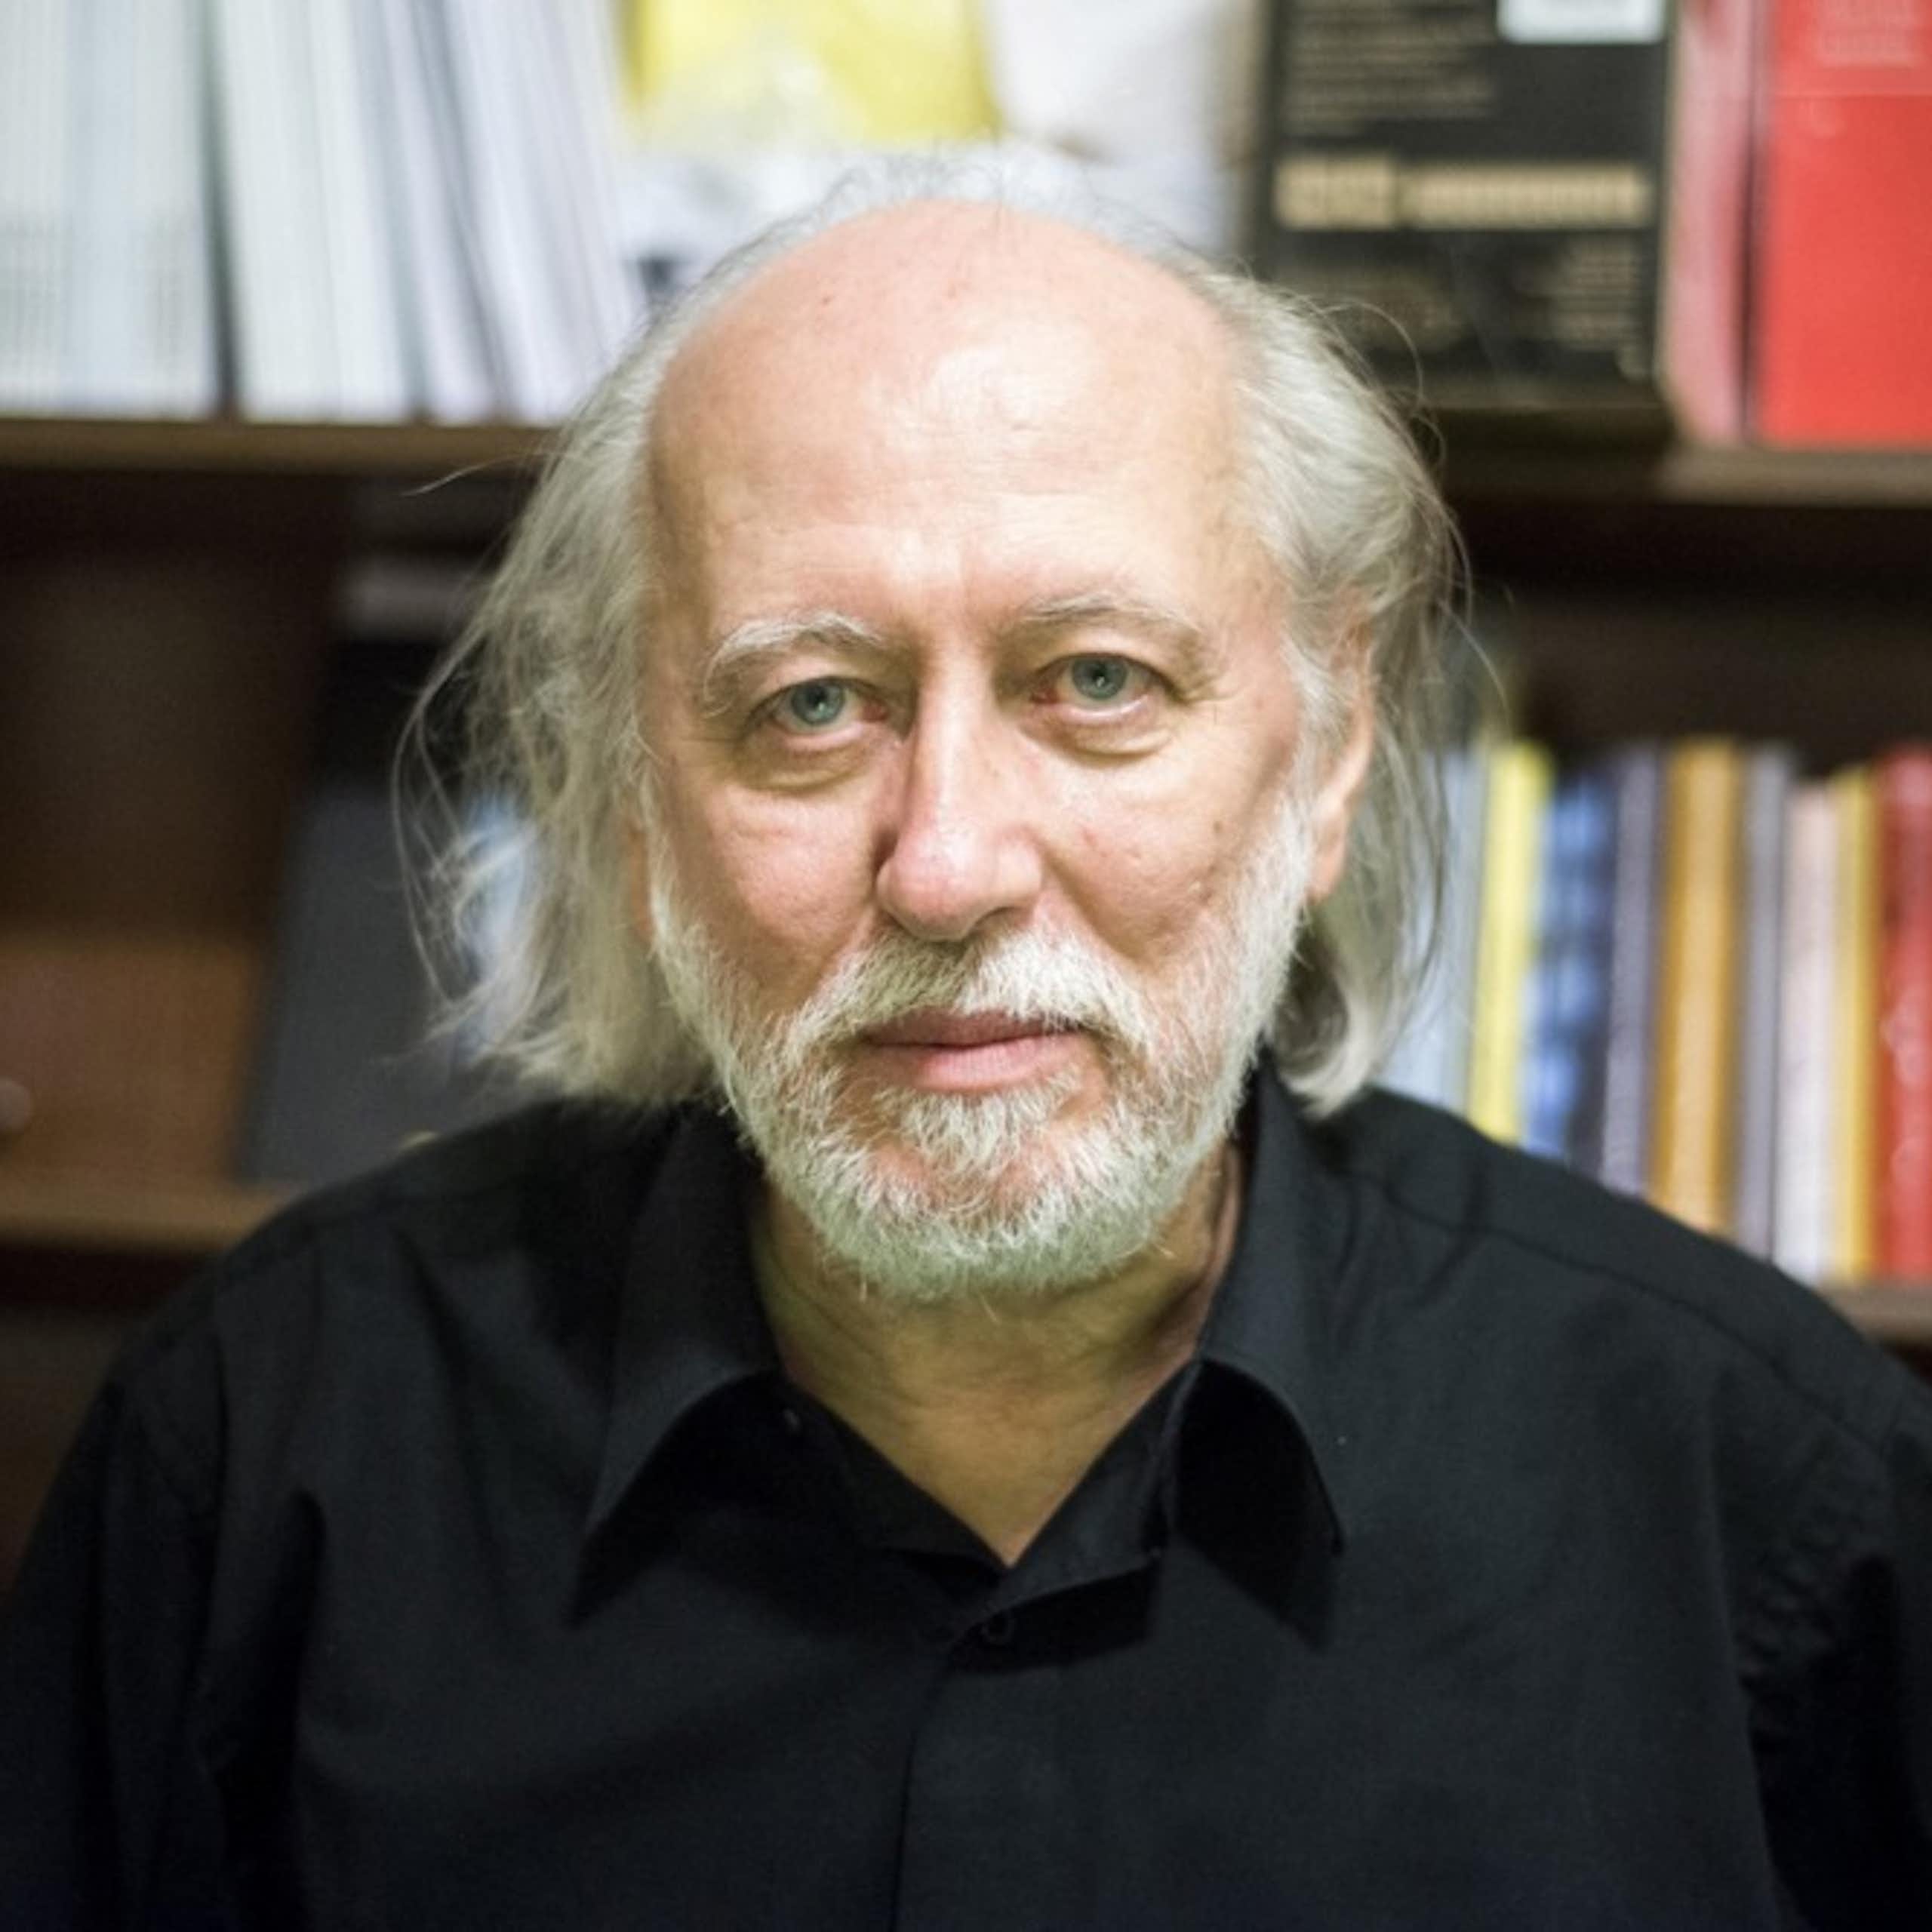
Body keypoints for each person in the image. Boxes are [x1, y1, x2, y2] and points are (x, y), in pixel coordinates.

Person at [2, 158, 1928, 1930]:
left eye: (1095, 681)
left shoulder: (1763, 1502)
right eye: (810, 701)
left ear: (1330, 746)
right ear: (628, 798)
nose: (945, 863)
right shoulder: (264, 1454)